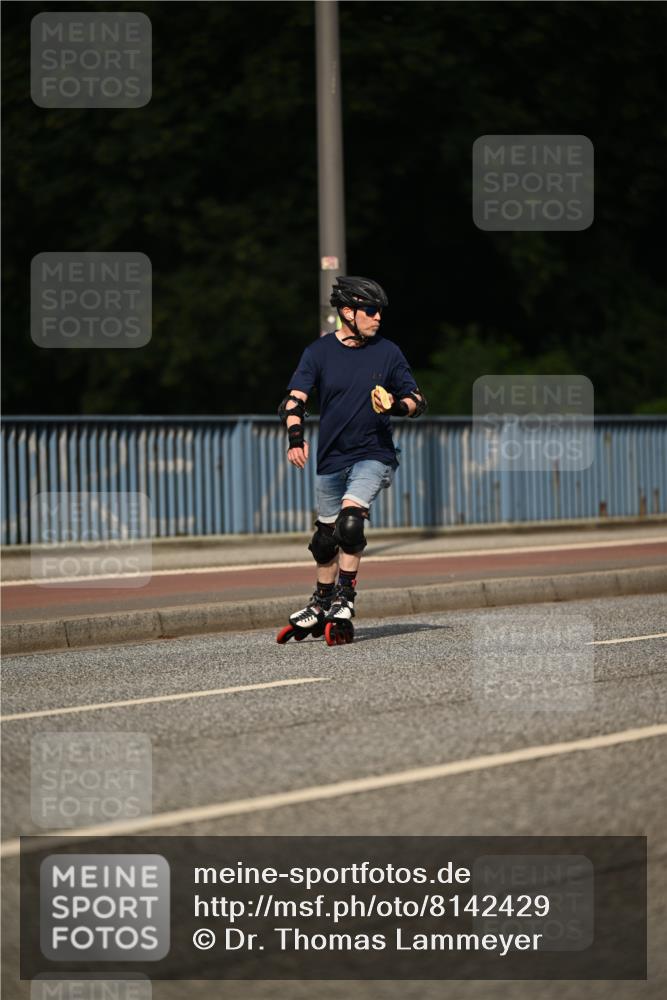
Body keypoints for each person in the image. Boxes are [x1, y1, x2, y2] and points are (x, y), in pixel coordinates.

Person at [276, 276, 427, 644]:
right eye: (371, 311)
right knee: (324, 541)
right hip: (330, 457)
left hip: (374, 453)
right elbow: (293, 401)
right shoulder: (318, 353)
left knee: (350, 525)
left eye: (379, 311)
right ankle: (321, 601)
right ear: (347, 312)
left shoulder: (388, 352)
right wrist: (296, 437)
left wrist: (395, 404)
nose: (378, 318)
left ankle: (345, 597)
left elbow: (418, 401)